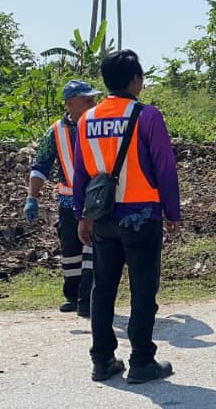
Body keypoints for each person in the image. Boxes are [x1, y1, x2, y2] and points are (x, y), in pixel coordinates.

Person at [72, 50, 181, 384]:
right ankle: (142, 361)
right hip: (142, 215)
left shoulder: (86, 120)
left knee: (103, 289)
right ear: (136, 80)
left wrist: (81, 215)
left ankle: (102, 360)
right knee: (143, 290)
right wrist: (173, 212)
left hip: (102, 216)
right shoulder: (147, 116)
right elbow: (164, 166)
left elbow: (80, 173)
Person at [24, 79, 101, 317]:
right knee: (70, 250)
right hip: (68, 201)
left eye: (92, 97)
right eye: (85, 97)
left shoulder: (100, 125)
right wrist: (32, 197)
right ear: (69, 103)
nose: (92, 101)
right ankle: (73, 296)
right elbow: (41, 166)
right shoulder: (55, 131)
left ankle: (87, 299)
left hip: (97, 199)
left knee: (93, 249)